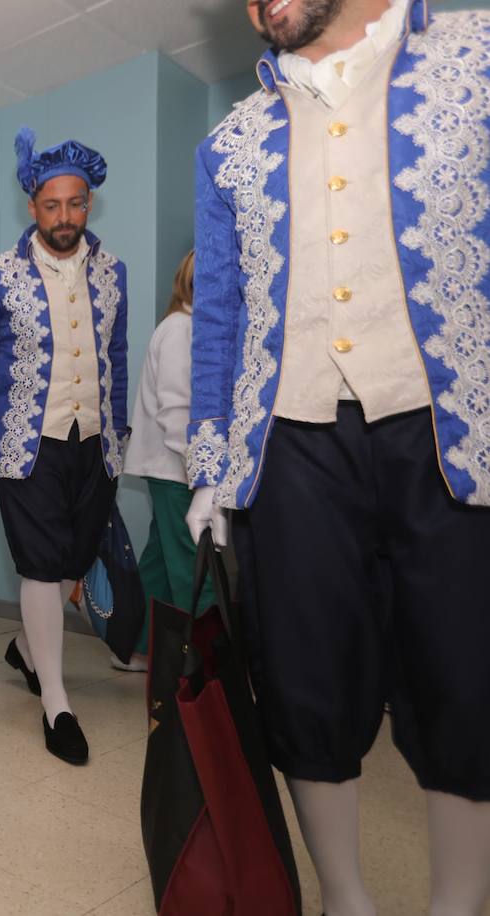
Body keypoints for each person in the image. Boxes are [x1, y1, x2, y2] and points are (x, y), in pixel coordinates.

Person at [185, 1, 490, 913]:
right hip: (288, 438)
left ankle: (460, 901)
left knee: (466, 673)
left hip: (453, 426)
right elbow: (221, 318)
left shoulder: (474, 57)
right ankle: (344, 899)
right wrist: (210, 461)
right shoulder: (231, 140)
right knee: (304, 671)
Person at [0, 128, 129, 766]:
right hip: (26, 445)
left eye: (75, 204)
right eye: (51, 205)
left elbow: (117, 356)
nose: (64, 216)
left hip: (94, 442)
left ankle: (27, 649)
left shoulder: (114, 274)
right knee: (39, 565)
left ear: (89, 204)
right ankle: (54, 698)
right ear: (33, 206)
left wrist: (122, 429)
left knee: (74, 561)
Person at [120, 250, 210, 672]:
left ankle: (137, 647)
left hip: (173, 467)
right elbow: (176, 410)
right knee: (191, 567)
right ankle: (208, 664)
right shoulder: (181, 330)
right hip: (178, 468)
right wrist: (201, 470)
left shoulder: (187, 328)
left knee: (159, 561)